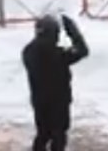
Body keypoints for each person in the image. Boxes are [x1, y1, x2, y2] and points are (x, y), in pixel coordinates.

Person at [22, 14, 90, 151]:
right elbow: (82, 50)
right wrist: (72, 30)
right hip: (59, 101)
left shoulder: (28, 51)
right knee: (58, 134)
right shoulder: (57, 55)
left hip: (39, 100)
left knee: (43, 134)